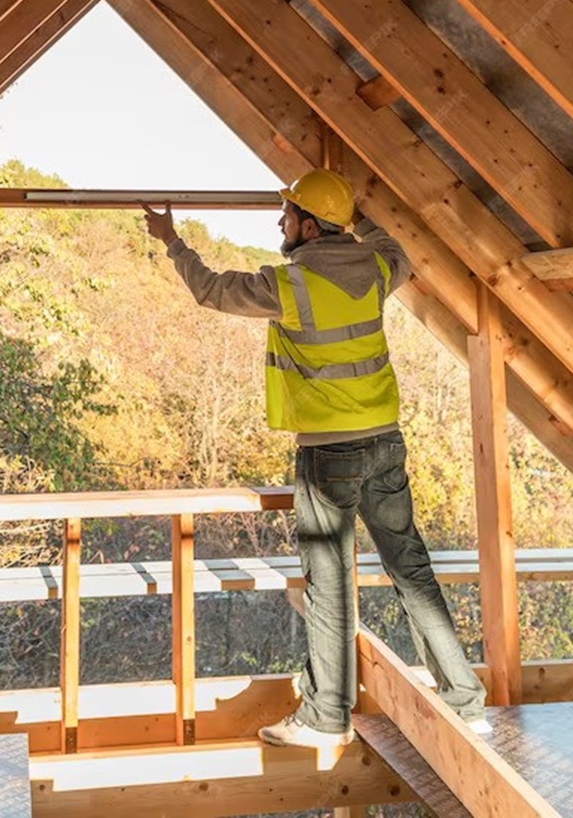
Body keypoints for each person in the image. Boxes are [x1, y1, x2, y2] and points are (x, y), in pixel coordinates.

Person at [142, 169, 487, 749]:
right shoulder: (377, 269)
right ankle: (466, 701)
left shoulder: (290, 285)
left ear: (307, 224)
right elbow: (393, 247)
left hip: (330, 452)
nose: (279, 223)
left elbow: (210, 289)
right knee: (411, 568)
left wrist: (172, 242)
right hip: (385, 440)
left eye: (287, 214)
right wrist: (359, 216)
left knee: (329, 582)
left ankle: (327, 717)